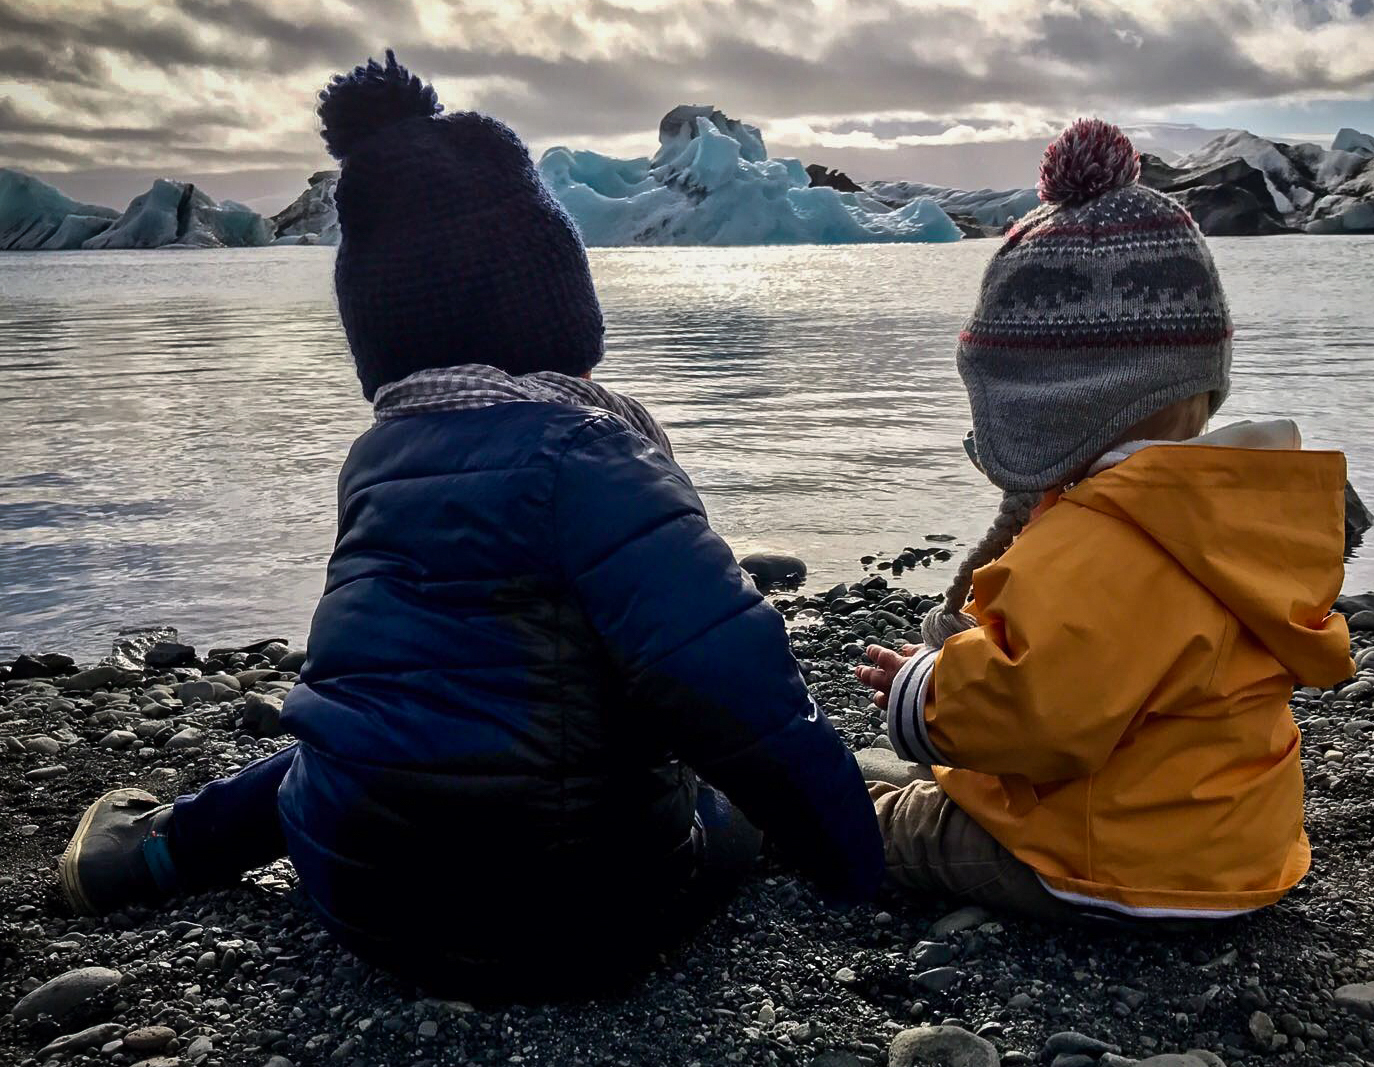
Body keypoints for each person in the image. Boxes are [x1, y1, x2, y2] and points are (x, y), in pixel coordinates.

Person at [59, 51, 882, 997]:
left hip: (360, 899)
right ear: (555, 301)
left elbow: (376, 688)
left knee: (365, 732)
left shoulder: (382, 455)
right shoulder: (589, 452)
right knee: (721, 803)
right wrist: (853, 862)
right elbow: (735, 688)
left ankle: (158, 852)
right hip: (572, 914)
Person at [854, 119, 1354, 925]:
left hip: (1115, 859)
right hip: (1240, 847)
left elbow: (1035, 708)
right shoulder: (1240, 514)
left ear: (1052, 407)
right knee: (947, 788)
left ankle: (788, 822)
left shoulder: (1106, 540)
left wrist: (924, 688)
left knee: (899, 827)